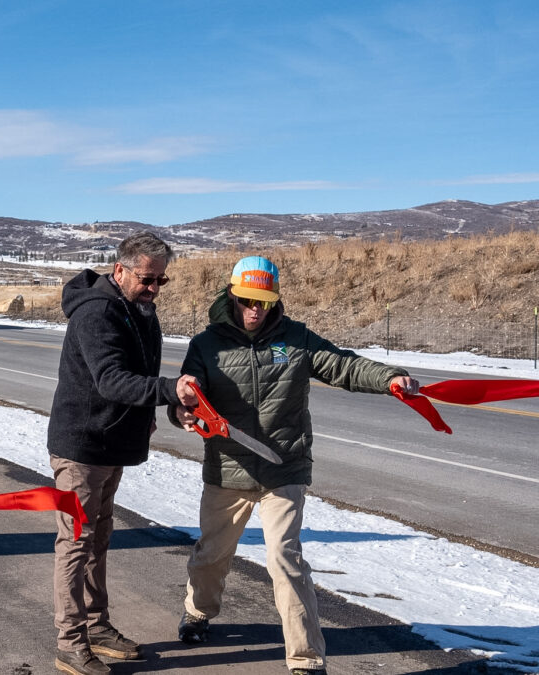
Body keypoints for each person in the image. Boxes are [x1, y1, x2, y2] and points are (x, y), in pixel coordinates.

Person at [169, 256, 420, 675]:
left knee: (285, 559)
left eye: (264, 302)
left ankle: (305, 660)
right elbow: (186, 399)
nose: (256, 310)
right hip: (228, 468)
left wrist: (391, 378)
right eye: (248, 300)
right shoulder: (206, 345)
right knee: (212, 554)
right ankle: (198, 611)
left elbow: (344, 365)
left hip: (282, 468)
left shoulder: (295, 339)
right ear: (231, 293)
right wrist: (185, 414)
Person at [47, 231, 198, 675]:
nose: (153, 289)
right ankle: (70, 643)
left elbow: (138, 374)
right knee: (75, 544)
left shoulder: (138, 310)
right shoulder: (97, 313)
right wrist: (170, 390)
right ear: (119, 270)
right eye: (146, 279)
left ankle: (96, 626)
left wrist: (157, 408)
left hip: (113, 442)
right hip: (82, 447)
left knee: (98, 539)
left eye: (160, 281)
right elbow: (111, 380)